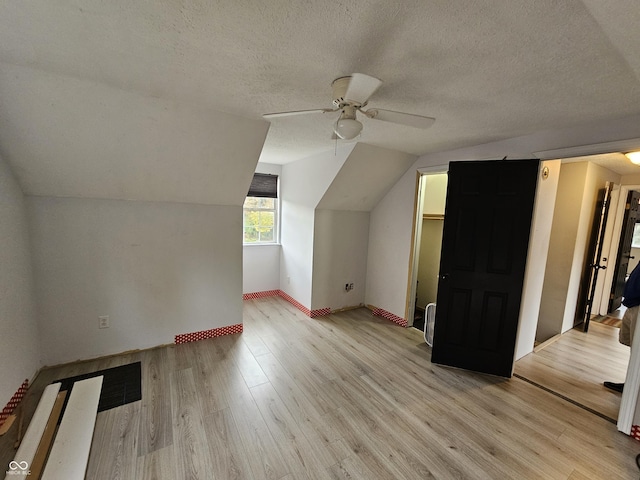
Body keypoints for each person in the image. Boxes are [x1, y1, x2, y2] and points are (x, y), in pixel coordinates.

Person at [604, 263, 640, 393]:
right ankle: (631, 383)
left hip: (638, 305)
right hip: (632, 304)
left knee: (638, 351)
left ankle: (633, 390)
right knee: (634, 349)